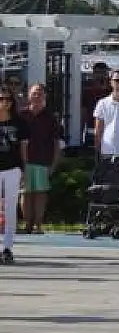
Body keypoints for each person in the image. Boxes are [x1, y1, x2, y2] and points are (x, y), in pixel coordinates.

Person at [19, 83, 61, 236]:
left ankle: (38, 225)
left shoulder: (51, 117)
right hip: (24, 161)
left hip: (43, 161)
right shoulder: (21, 115)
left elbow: (56, 143)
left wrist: (54, 164)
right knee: (25, 193)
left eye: (40, 93)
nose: (37, 96)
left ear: (44, 96)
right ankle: (27, 224)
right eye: (34, 93)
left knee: (40, 193)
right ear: (29, 95)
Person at [0, 88, 26, 264]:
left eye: (8, 99)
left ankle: (7, 247)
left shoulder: (19, 122)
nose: (5, 102)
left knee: (10, 208)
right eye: (1, 98)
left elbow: (23, 147)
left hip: (12, 168)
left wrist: (23, 169)